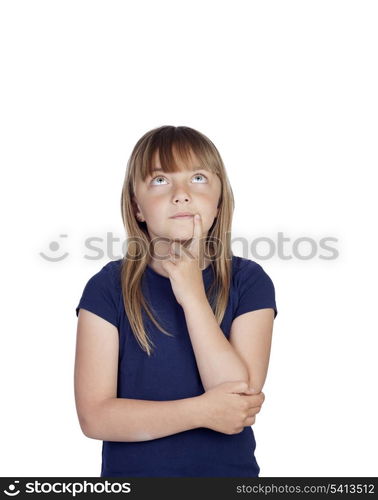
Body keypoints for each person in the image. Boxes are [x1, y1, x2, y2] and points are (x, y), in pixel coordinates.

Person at [74, 125, 278, 477]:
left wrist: (193, 297)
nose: (181, 194)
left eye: (197, 178)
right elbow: (95, 417)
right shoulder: (106, 288)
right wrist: (200, 411)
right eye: (160, 180)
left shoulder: (250, 282)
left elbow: (236, 403)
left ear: (219, 201)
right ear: (137, 206)